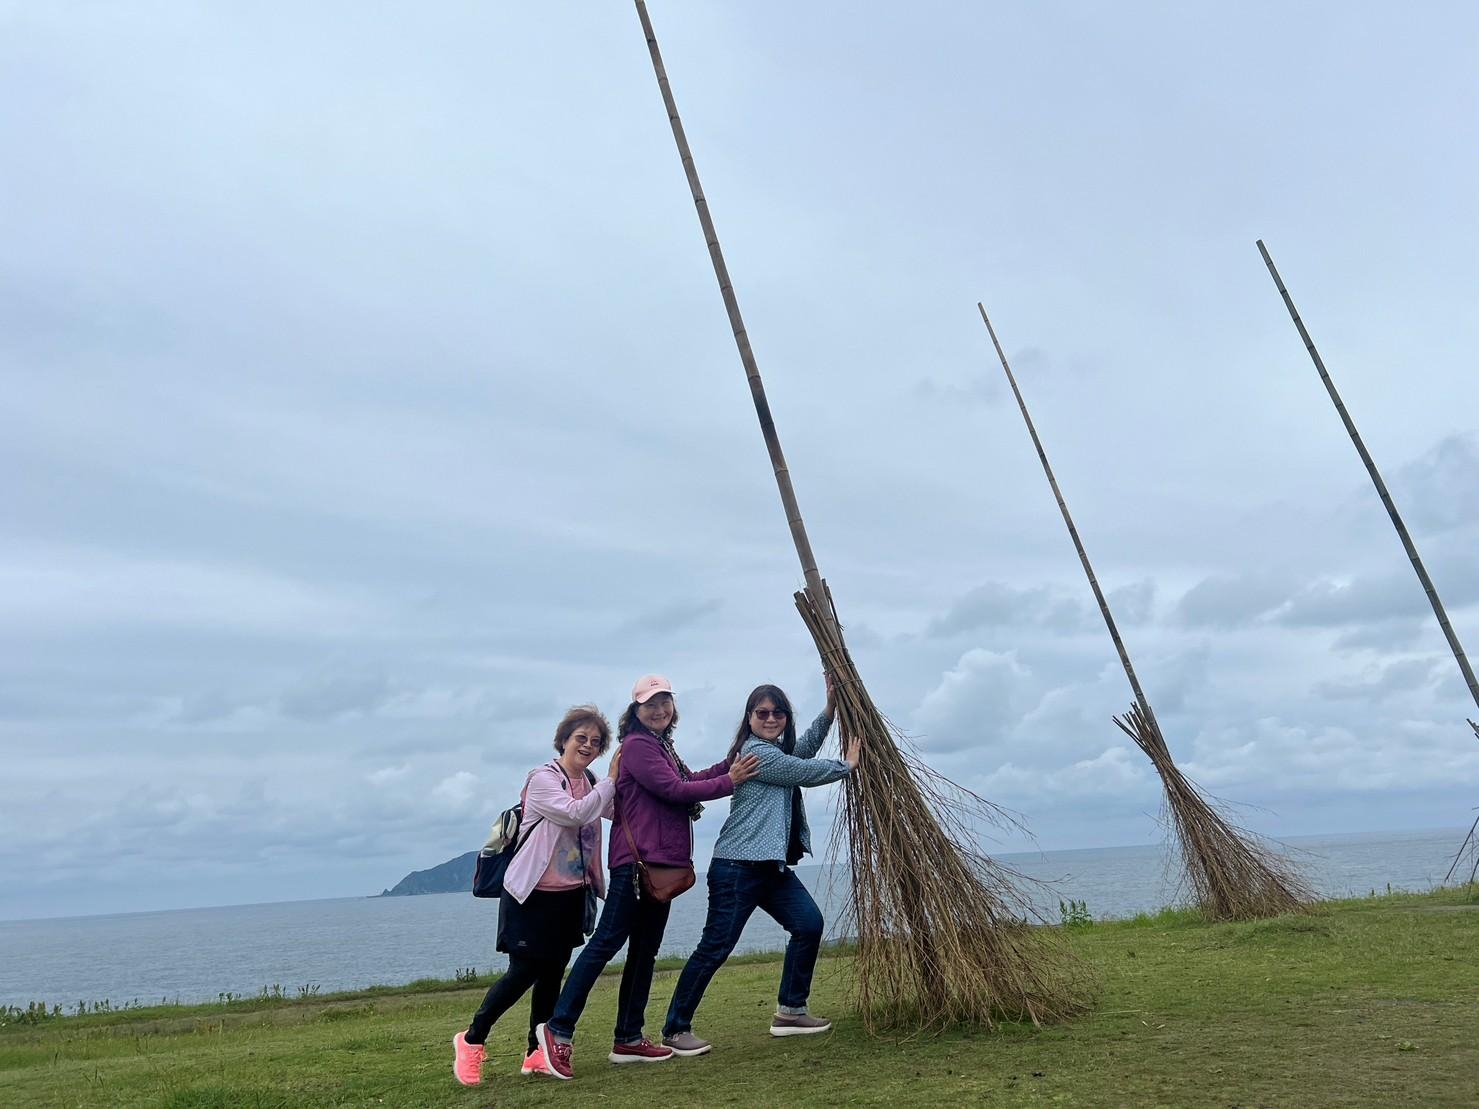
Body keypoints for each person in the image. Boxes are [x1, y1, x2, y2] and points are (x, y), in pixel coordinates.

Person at [534, 674, 761, 1081]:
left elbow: (688, 780)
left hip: (659, 865)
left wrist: (732, 762)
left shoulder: (660, 746)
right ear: (635, 710)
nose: (659, 710)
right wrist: (731, 781)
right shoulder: (638, 746)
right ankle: (558, 1028)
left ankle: (629, 1037)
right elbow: (674, 790)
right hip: (637, 865)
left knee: (644, 952)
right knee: (605, 944)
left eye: (665, 702)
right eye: (650, 703)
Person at [659, 681, 859, 1055]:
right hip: (737, 867)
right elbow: (803, 770)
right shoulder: (756, 753)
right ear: (749, 718)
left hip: (770, 868)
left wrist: (829, 711)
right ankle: (675, 1029)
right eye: (762, 712)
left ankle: (790, 1012)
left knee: (808, 924)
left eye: (777, 713)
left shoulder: (775, 753)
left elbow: (800, 752)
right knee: (716, 947)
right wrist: (845, 766)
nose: (770, 718)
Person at [453, 705, 618, 1086]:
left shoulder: (591, 781)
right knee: (524, 971)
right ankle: (472, 1040)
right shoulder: (543, 779)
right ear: (563, 740)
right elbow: (576, 814)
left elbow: (616, 809)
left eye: (596, 742)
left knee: (552, 974)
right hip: (530, 895)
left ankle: (535, 1053)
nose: (588, 746)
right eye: (581, 738)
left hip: (571, 895)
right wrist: (612, 779)